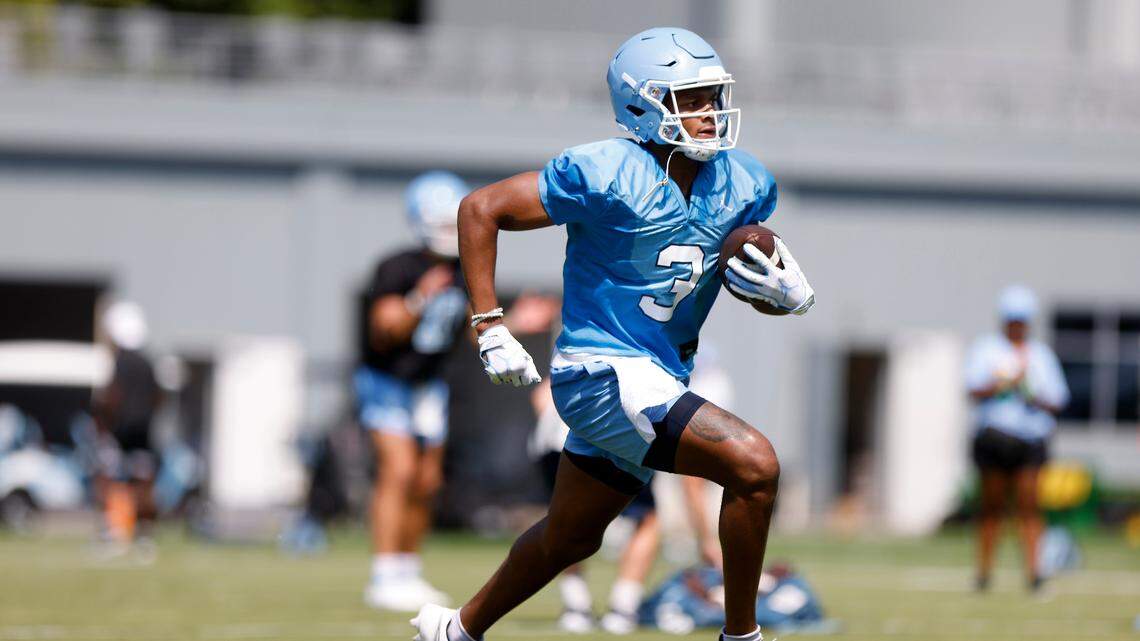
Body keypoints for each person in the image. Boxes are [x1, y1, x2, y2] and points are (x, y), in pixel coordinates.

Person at [413, 27, 815, 641]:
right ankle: (742, 636)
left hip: (659, 376)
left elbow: (741, 281)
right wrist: (490, 324)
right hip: (599, 372)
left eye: (711, 96)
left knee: (569, 536)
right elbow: (481, 209)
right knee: (753, 464)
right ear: (641, 103)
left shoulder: (744, 183)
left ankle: (454, 631)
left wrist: (776, 299)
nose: (708, 112)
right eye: (690, 99)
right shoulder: (605, 170)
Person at [529, 348, 732, 635]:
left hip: (556, 432)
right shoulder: (699, 373)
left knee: (567, 520)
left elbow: (541, 394)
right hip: (613, 430)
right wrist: (708, 540)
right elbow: (692, 483)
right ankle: (621, 610)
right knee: (646, 520)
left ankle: (577, 608)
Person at [360, 171, 472, 611]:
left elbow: (467, 328)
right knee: (399, 470)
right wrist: (418, 299)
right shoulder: (399, 266)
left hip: (430, 386)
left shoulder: (462, 269)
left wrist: (516, 327)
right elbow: (384, 328)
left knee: (426, 482)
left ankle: (407, 570)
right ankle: (383, 573)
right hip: (388, 382)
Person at [965, 285, 1069, 593]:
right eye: (1012, 320)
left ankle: (1035, 573)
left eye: (1021, 320)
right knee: (991, 507)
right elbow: (971, 389)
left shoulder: (1040, 356)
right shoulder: (987, 349)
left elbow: (1058, 400)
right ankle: (983, 574)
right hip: (994, 438)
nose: (1016, 326)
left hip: (1029, 440)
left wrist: (1028, 390)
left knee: (1029, 506)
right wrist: (1000, 385)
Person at [92, 301, 162, 557]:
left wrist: (103, 420)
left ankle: (115, 531)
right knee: (143, 483)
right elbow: (158, 396)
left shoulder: (122, 361)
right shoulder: (147, 362)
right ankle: (145, 535)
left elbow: (113, 396)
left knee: (111, 481)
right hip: (143, 432)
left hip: (121, 433)